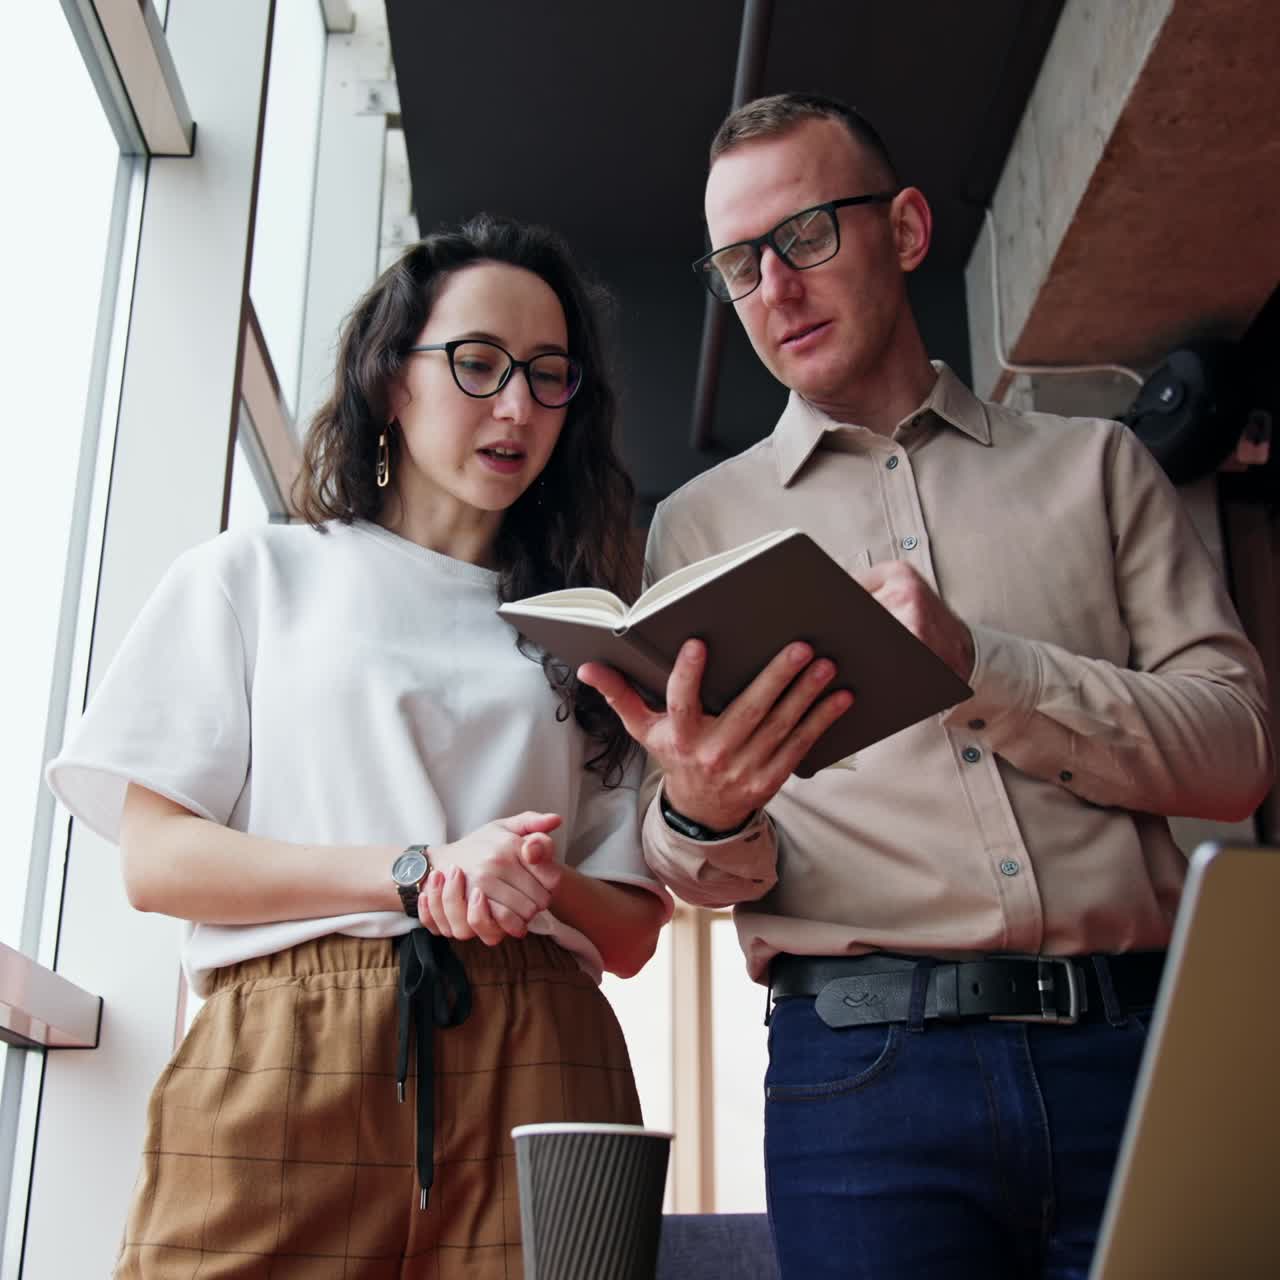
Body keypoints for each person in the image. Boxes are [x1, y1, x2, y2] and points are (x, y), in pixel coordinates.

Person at [580, 93, 1274, 1279]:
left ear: (902, 228)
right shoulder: (698, 527)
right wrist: (699, 811)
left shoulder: (1096, 466)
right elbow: (701, 868)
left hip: (1139, 1047)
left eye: (801, 237)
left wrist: (978, 665)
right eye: (737, 266)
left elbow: (1235, 750)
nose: (774, 290)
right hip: (860, 1086)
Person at [47, 213, 671, 1278]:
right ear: (393, 379)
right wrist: (419, 867)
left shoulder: (590, 629)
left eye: (549, 375)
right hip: (289, 1039)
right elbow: (157, 862)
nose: (516, 404)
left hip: (543, 1048)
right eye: (477, 364)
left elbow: (627, 934)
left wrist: (527, 877)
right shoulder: (255, 575)